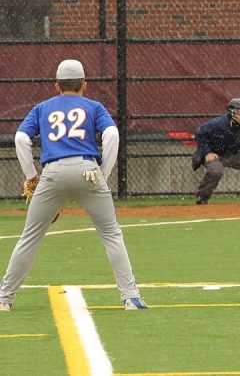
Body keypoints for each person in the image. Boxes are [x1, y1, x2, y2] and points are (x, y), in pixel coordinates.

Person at [0, 59, 147, 311]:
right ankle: (130, 297)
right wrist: (103, 172)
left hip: (52, 173)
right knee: (111, 234)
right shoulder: (94, 106)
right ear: (84, 85)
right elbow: (112, 135)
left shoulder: (42, 108)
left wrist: (31, 176)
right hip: (87, 170)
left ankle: (4, 299)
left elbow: (21, 138)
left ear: (57, 85)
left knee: (30, 237)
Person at [192, 98, 240, 204]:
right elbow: (199, 132)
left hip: (232, 154)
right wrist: (207, 152)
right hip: (214, 153)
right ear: (231, 114)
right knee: (216, 170)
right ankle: (202, 197)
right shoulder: (218, 123)